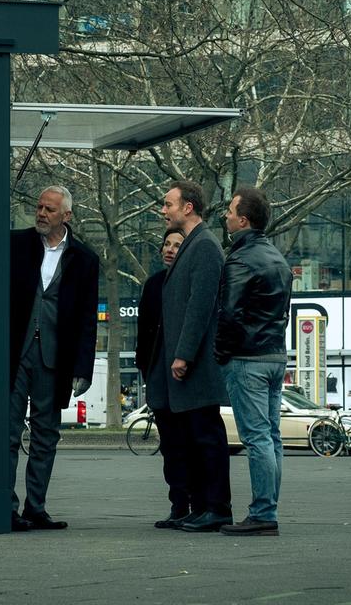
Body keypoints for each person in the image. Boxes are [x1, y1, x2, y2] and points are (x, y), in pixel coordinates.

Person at [8, 185, 100, 531]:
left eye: (49, 209)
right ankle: (7, 506)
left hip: (54, 358)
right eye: (39, 206)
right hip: (16, 353)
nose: (41, 213)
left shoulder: (85, 259)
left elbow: (88, 319)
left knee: (47, 434)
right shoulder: (15, 244)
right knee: (9, 432)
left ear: (67, 215)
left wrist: (83, 368)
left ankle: (36, 507)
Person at [150, 180, 231, 533]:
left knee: (207, 438)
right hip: (188, 364)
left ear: (188, 207)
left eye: (168, 204)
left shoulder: (205, 247)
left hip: (196, 366)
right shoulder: (195, 246)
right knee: (196, 439)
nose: (163, 210)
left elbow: (200, 306)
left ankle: (217, 508)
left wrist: (183, 355)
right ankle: (202, 507)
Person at [214, 188, 292, 536]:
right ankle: (267, 508)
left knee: (257, 437)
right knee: (271, 436)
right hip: (275, 355)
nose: (226, 216)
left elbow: (229, 312)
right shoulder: (277, 258)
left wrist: (221, 351)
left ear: (243, 219)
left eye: (230, 211)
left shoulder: (240, 259)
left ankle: (263, 513)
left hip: (247, 358)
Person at [135, 226, 185, 526]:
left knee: (187, 441)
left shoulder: (189, 281)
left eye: (177, 245)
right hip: (158, 373)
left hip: (182, 375)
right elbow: (144, 330)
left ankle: (194, 502)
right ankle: (178, 503)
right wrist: (144, 366)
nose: (169, 250)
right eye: (166, 244)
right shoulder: (153, 284)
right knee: (169, 444)